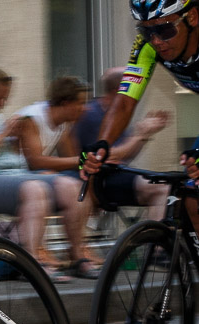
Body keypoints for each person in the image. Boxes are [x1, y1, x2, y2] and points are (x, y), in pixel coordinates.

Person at [81, 0, 198, 230]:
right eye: (146, 31)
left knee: (194, 197)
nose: (156, 41)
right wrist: (102, 145)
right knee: (190, 197)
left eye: (165, 30)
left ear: (192, 16)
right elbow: (125, 100)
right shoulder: (146, 46)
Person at [0, 68, 72, 281]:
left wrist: (16, 140)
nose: (2, 104)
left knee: (69, 185)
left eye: (5, 99)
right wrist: (4, 133)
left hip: (9, 178)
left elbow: (6, 157)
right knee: (34, 189)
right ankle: (32, 263)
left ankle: (78, 256)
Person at [7, 76, 101, 277]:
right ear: (65, 103)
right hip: (14, 176)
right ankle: (55, 254)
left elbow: (73, 158)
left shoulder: (63, 125)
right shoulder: (32, 118)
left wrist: (88, 167)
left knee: (79, 184)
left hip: (35, 177)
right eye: (80, 103)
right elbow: (35, 161)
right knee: (70, 186)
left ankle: (77, 253)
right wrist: (79, 162)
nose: (85, 109)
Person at [70, 67, 170, 222]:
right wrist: (139, 135)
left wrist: (143, 136)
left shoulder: (117, 113)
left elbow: (125, 155)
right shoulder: (91, 114)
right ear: (120, 90)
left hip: (114, 174)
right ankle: (155, 237)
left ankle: (156, 232)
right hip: (98, 180)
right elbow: (104, 155)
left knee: (170, 185)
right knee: (162, 189)